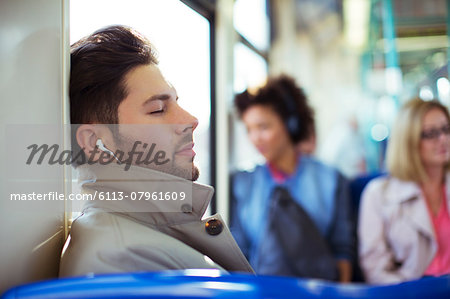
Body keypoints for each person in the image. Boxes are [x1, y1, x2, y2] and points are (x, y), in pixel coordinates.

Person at [59, 25, 253, 277]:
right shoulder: (119, 260)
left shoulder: (136, 235)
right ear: (94, 142)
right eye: (158, 109)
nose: (191, 120)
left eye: (177, 103)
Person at [230, 75, 354, 282]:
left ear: (291, 124)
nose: (255, 138)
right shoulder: (242, 184)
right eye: (249, 129)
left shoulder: (331, 180)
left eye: (263, 127)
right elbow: (239, 253)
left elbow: (342, 249)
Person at [358, 98, 450, 284]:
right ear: (408, 140)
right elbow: (375, 269)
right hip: (409, 292)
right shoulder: (377, 194)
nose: (443, 139)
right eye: (431, 133)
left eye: (446, 129)